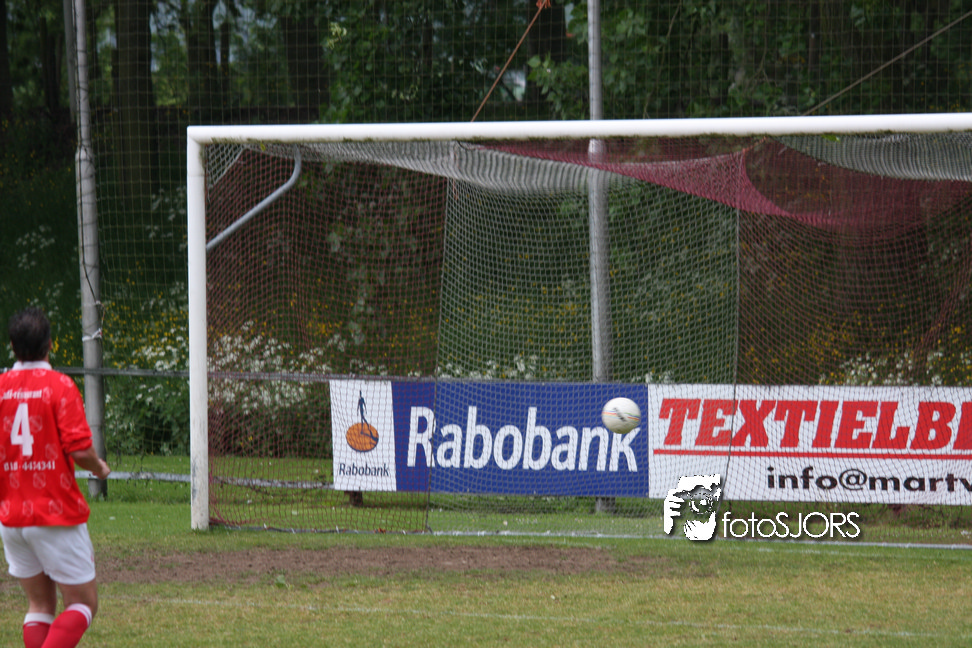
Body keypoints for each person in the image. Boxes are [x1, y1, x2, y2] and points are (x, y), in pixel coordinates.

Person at [0, 307, 110, 648]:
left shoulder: (1, 388)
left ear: (12, 346)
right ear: (50, 344)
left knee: (40, 606)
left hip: (12, 517)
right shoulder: (59, 386)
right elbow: (80, 450)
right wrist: (98, 468)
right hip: (54, 514)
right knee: (83, 604)